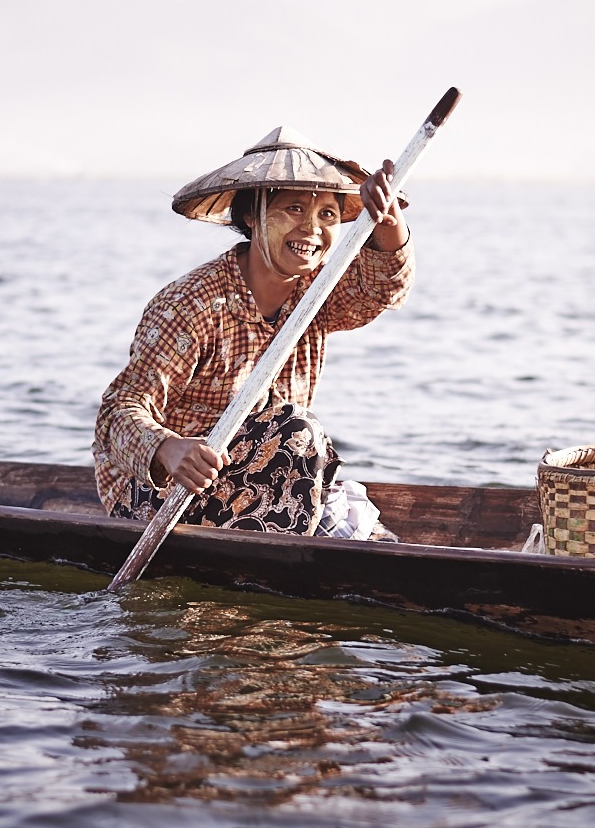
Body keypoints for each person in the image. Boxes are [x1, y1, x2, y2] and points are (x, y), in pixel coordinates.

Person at [93, 125, 412, 535]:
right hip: (164, 495)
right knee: (297, 430)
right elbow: (118, 412)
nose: (312, 230)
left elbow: (380, 290)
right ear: (251, 215)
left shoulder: (318, 295)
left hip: (265, 482)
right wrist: (170, 450)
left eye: (327, 215)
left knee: (318, 470)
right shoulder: (191, 305)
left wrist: (387, 222)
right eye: (294, 209)